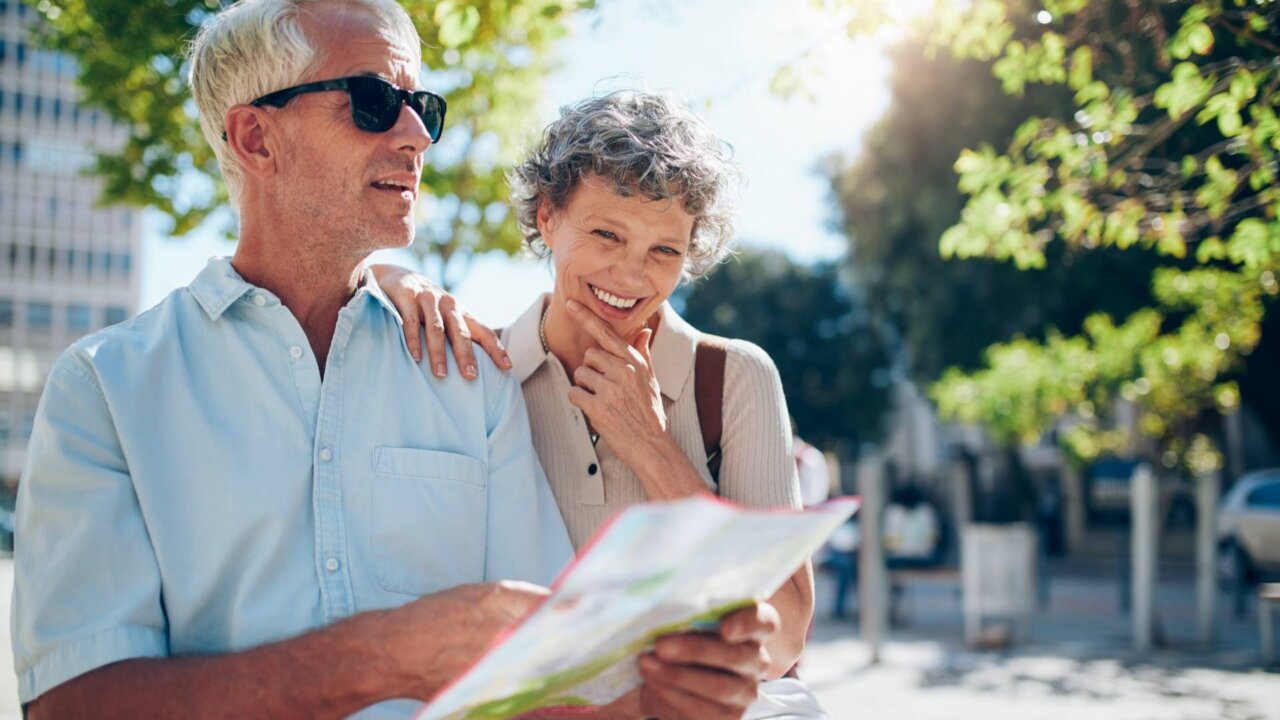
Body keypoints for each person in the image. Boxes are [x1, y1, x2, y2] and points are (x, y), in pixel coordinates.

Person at [10, 3, 780, 719]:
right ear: (254, 138)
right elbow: (69, 703)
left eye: (424, 107)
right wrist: (383, 657)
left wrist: (659, 704)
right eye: (375, 101)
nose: (417, 136)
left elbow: (546, 686)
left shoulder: (472, 377)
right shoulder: (106, 387)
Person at [378, 91, 826, 719]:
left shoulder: (732, 380)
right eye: (606, 234)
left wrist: (650, 444)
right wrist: (390, 275)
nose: (631, 275)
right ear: (547, 217)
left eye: (665, 251)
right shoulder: (479, 375)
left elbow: (779, 641)